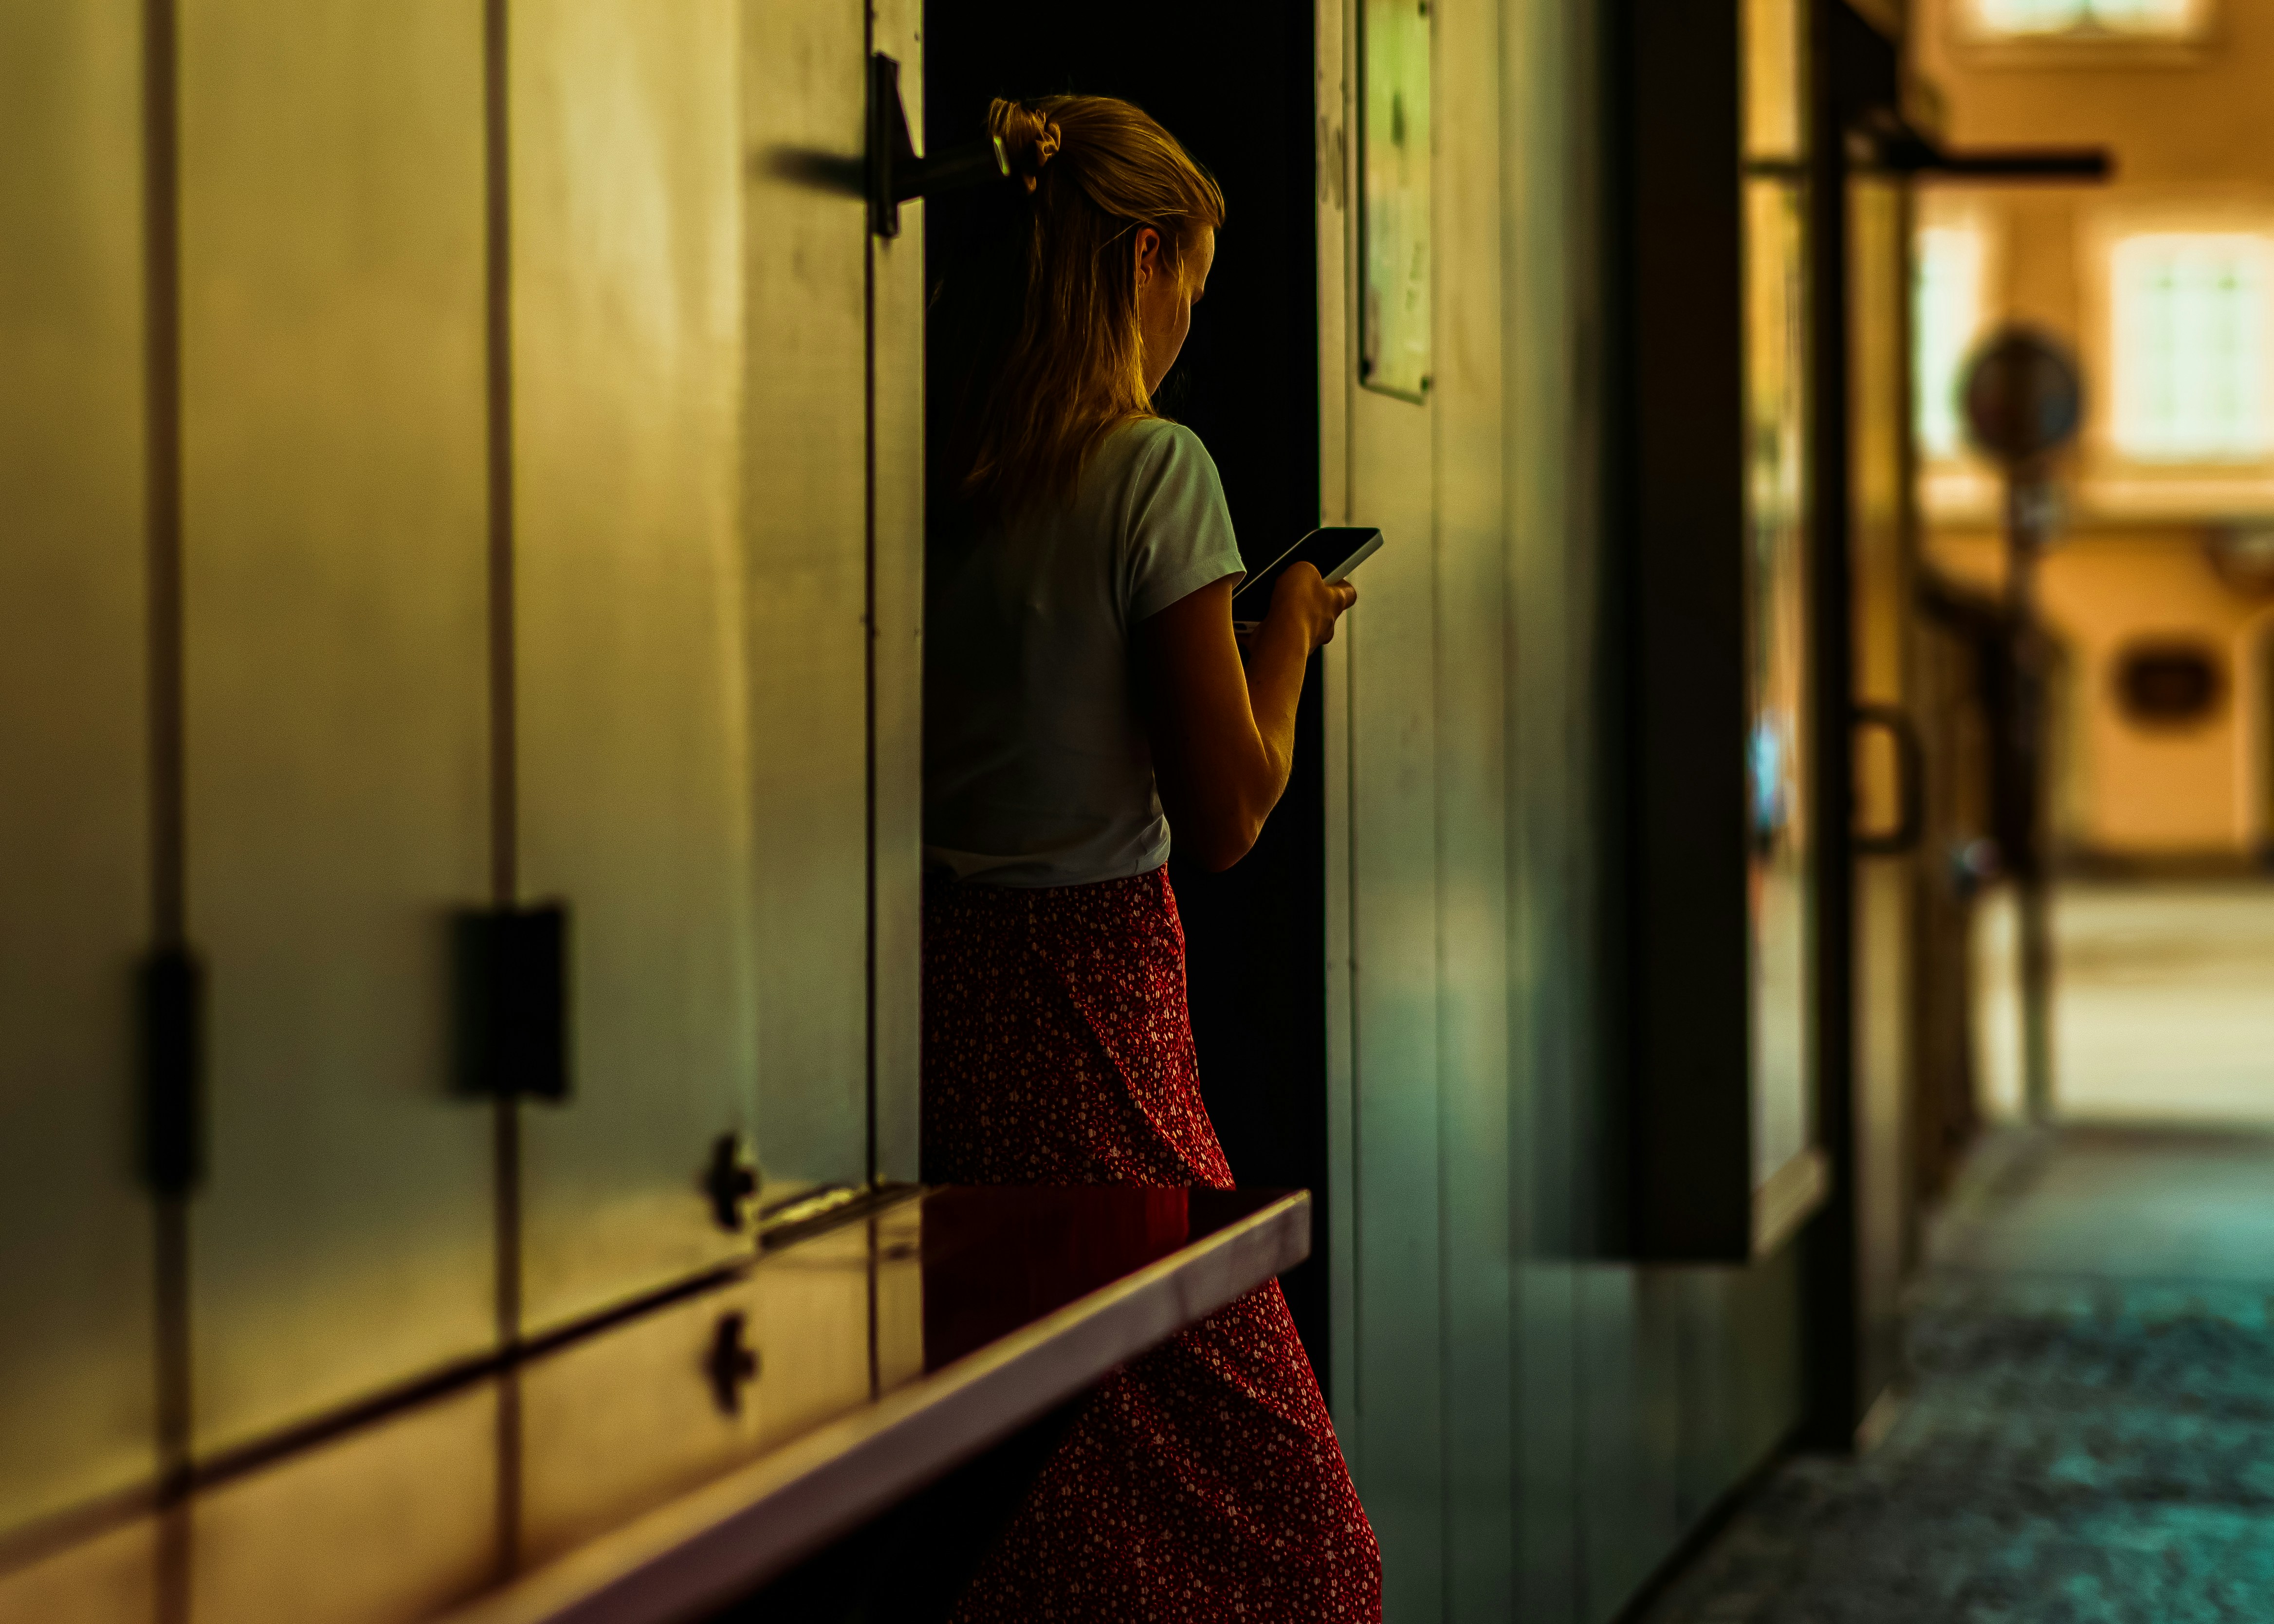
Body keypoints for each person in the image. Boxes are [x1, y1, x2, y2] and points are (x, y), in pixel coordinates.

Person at [921, 93, 1379, 1622]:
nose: (1193, 314)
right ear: (1138, 262)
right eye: (1190, 272)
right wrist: (1288, 633)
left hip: (938, 1017)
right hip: (1093, 1021)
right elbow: (1231, 808)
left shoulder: (944, 476)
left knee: (1027, 1508)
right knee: (1306, 1549)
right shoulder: (1152, 469)